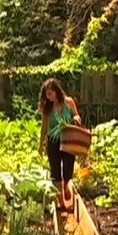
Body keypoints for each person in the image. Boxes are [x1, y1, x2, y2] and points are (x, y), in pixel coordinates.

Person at [38, 78, 81, 211]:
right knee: (55, 171)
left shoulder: (68, 102)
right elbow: (44, 127)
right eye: (46, 94)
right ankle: (61, 203)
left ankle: (66, 184)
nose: (48, 96)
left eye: (50, 93)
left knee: (68, 168)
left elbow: (76, 115)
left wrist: (76, 119)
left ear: (57, 91)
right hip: (53, 141)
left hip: (68, 138)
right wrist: (41, 145)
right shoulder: (47, 107)